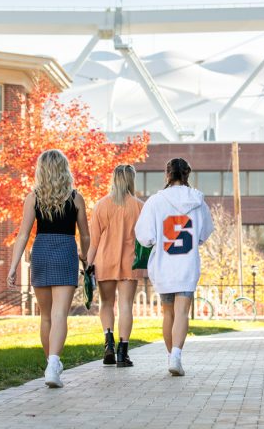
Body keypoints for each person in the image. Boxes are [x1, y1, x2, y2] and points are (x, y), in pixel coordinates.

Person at [7, 149, 89, 388]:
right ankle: (54, 363)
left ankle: (50, 366)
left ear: (41, 170)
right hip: (65, 252)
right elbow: (85, 233)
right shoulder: (76, 198)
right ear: (65, 169)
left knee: (46, 316)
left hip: (41, 251)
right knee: (59, 314)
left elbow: (23, 235)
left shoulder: (33, 197)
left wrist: (13, 266)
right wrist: (86, 257)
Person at [134, 157, 213, 376]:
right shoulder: (198, 201)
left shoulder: (155, 202)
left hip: (164, 264)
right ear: (187, 174)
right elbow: (205, 233)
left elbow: (144, 236)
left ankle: (171, 357)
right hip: (187, 264)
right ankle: (177, 355)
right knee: (182, 312)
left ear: (167, 174)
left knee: (168, 313)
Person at [87, 164, 144, 367]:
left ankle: (108, 341)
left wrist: (88, 264)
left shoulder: (101, 205)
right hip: (130, 261)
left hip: (104, 260)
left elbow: (93, 241)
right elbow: (145, 238)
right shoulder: (139, 206)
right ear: (131, 180)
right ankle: (123, 352)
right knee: (126, 305)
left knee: (106, 304)